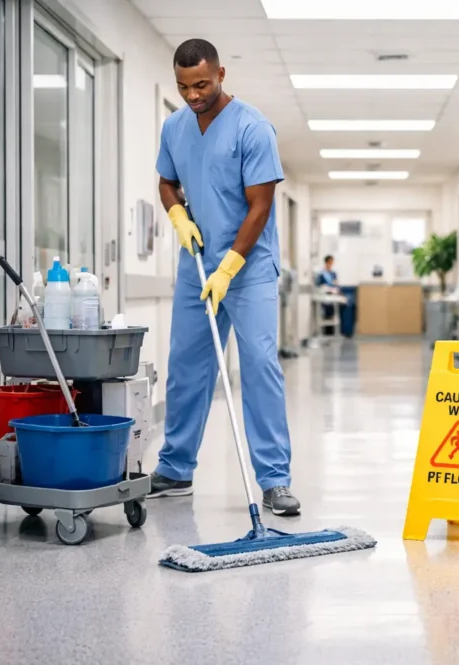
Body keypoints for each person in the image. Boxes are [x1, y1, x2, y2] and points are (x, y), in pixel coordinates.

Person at [147, 38, 300, 515]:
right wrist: (177, 215)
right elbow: (166, 182)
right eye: (183, 87)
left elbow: (260, 206)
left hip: (248, 270)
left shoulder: (253, 128)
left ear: (220, 74)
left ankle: (274, 480)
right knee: (187, 366)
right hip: (198, 267)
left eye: (201, 84)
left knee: (259, 366)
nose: (193, 95)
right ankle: (175, 469)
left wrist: (230, 266)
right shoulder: (174, 127)